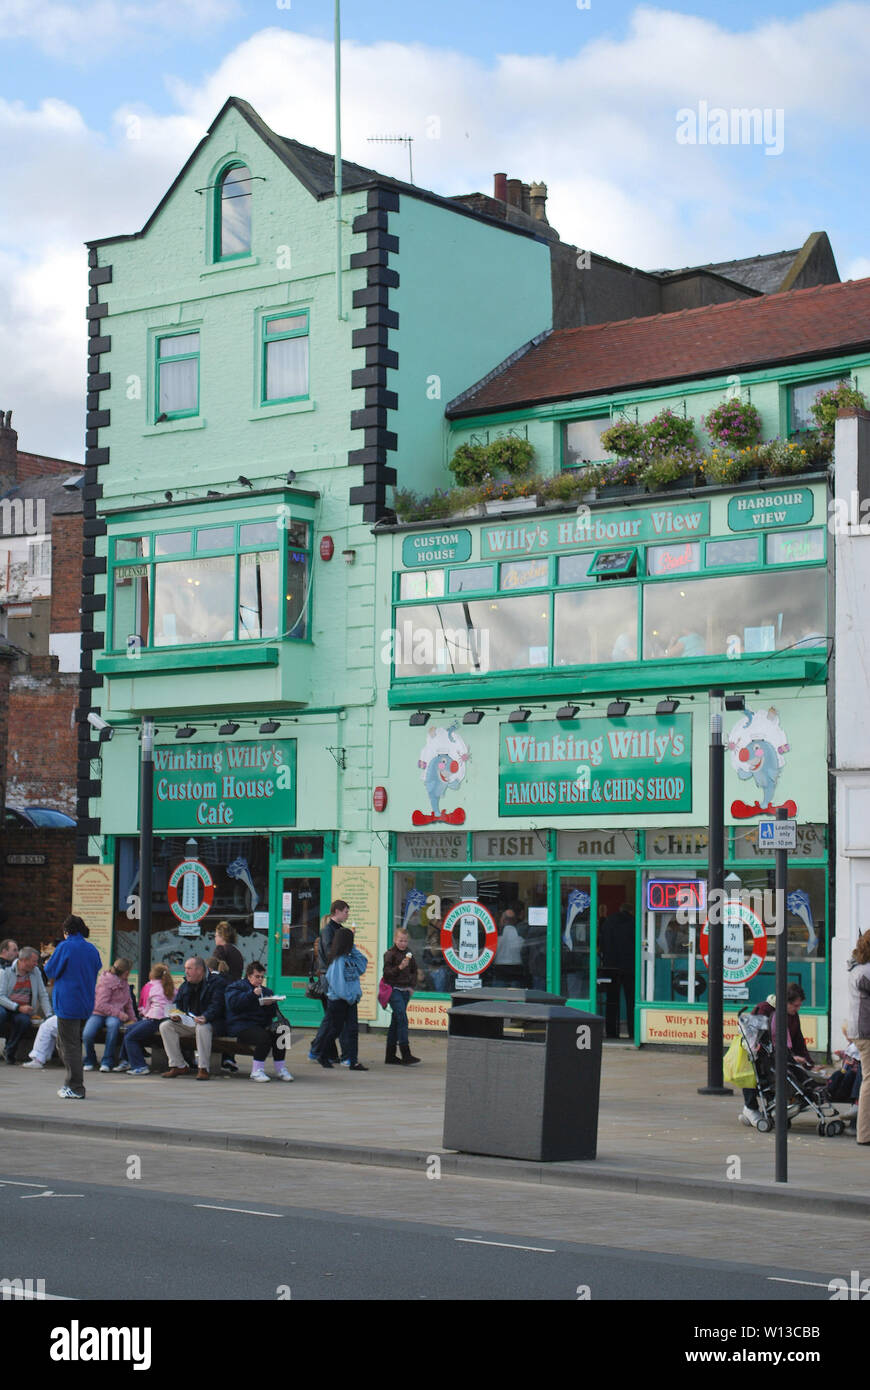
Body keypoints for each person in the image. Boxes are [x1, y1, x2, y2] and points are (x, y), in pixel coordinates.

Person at [43, 916, 102, 1100]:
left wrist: (47, 964)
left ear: (66, 930)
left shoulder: (65, 946)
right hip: (85, 1002)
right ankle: (74, 1083)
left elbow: (51, 971)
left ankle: (75, 1086)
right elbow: (96, 968)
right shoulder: (91, 949)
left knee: (69, 1045)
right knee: (71, 1043)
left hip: (68, 1002)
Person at [740, 985, 813, 1126]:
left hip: (778, 1057)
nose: (797, 1009)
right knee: (758, 1076)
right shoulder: (764, 1009)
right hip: (762, 1056)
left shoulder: (792, 1015)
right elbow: (754, 1039)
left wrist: (809, 1062)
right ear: (785, 1002)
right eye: (795, 1006)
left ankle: (767, 1111)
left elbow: (798, 1040)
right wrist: (789, 1057)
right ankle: (751, 1108)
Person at [159, 956, 226, 1080]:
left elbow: (218, 1005)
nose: (186, 972)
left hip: (212, 1022)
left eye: (189, 968)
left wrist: (206, 1017)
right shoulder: (186, 984)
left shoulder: (217, 982)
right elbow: (178, 1003)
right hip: (190, 1021)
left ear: (200, 970)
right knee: (165, 1026)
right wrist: (176, 1015)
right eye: (185, 968)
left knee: (202, 1028)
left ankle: (203, 1068)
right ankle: (178, 1065)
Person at [224, 961, 294, 1082]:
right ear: (249, 976)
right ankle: (256, 1071)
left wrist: (270, 1004)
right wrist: (252, 995)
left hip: (260, 1025)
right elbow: (234, 1005)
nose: (260, 979)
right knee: (263, 1037)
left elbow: (271, 1015)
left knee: (283, 1032)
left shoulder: (266, 991)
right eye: (257, 976)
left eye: (262, 977)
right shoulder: (236, 987)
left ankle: (280, 1068)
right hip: (241, 1025)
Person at [315, 927, 367, 1070]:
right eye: (352, 941)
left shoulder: (350, 958)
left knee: (352, 1030)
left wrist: (354, 948)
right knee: (335, 1030)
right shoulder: (338, 961)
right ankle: (322, 1055)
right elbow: (337, 983)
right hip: (339, 1001)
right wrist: (349, 997)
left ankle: (353, 1061)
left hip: (350, 1001)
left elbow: (363, 964)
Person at [308, 901, 350, 1064]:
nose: (348, 914)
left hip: (334, 976)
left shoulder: (338, 930)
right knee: (336, 1017)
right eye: (346, 911)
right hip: (331, 978)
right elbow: (330, 955)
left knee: (333, 1017)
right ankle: (322, 1050)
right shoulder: (328, 932)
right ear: (337, 911)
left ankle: (319, 1050)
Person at [116, 964, 176, 1075]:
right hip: (166, 1020)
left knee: (130, 1037)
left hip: (153, 1019)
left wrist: (143, 1014)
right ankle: (126, 1060)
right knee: (130, 1029)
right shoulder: (172, 987)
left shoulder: (150, 986)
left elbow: (145, 1006)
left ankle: (140, 1066)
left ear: (152, 974)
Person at [82, 958, 137, 1072]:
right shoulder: (106, 981)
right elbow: (101, 1004)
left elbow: (128, 1002)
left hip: (114, 1015)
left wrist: (133, 1019)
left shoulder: (125, 983)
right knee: (87, 1034)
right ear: (126, 972)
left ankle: (107, 1061)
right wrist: (120, 1014)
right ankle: (90, 1059)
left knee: (113, 1027)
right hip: (99, 1013)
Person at [0, 947, 53, 1063]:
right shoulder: (6, 971)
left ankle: (10, 1050)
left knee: (24, 1021)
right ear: (23, 960)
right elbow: (1, 997)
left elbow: (42, 994)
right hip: (6, 1006)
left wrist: (49, 1015)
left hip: (22, 1009)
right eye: (34, 961)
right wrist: (18, 1007)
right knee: (1, 1014)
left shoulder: (36, 972)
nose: (36, 964)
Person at [382, 927, 421, 1066]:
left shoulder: (410, 954)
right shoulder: (390, 954)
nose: (403, 943)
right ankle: (406, 1054)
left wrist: (412, 986)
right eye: (400, 940)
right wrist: (399, 967)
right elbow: (386, 973)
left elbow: (414, 971)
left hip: (405, 990)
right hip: (394, 990)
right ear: (395, 939)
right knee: (403, 1019)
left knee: (396, 1022)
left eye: (405, 941)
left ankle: (390, 1055)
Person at [598, 902, 636, 1039]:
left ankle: (611, 1032)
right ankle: (633, 1032)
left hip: (611, 966)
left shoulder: (608, 923)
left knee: (612, 1000)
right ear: (631, 911)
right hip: (629, 967)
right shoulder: (633, 923)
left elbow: (601, 944)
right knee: (631, 1000)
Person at [846, 930, 870, 1146]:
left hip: (861, 1031)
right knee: (869, 1080)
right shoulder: (865, 972)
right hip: (866, 1032)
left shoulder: (857, 969)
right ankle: (864, 1133)